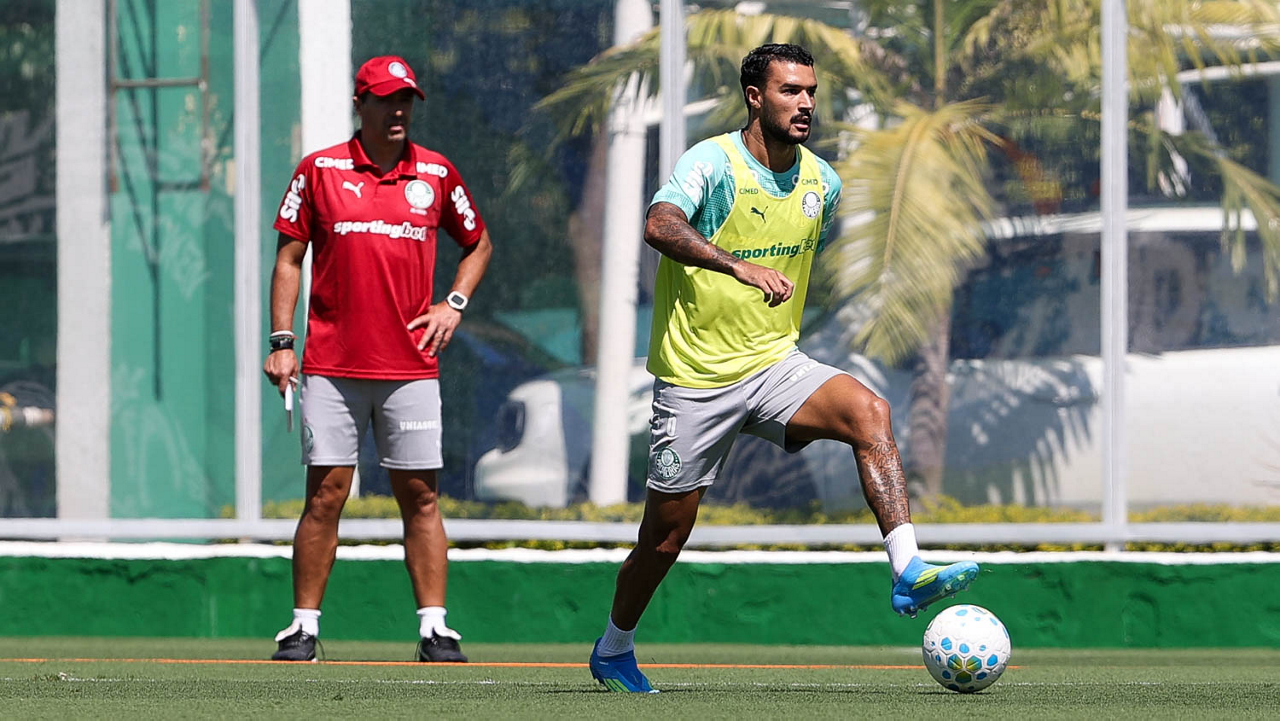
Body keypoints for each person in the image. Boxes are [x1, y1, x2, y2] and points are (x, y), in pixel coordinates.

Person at [588, 43, 979, 693]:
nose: (805, 103)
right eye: (790, 91)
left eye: (810, 92)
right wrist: (735, 264)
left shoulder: (822, 183)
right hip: (695, 380)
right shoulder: (711, 163)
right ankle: (613, 646)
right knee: (663, 538)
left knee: (869, 411)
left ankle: (908, 567)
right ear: (754, 96)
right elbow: (659, 225)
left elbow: (807, 256)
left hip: (774, 365)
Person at [263, 55, 493, 663]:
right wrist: (282, 344)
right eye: (387, 99)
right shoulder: (319, 170)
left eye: (407, 100)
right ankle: (303, 628)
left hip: (411, 367)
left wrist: (454, 303)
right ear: (359, 103)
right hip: (333, 367)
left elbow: (478, 243)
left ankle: (435, 629)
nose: (399, 111)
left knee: (420, 495)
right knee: (326, 495)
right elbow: (289, 259)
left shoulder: (437, 173)